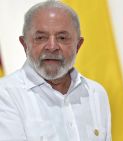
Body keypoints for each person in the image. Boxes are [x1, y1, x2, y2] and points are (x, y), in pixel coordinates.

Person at [0, 1, 111, 141]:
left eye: (62, 38)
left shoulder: (96, 94)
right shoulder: (5, 94)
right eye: (40, 38)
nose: (52, 47)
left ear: (78, 45)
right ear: (24, 44)